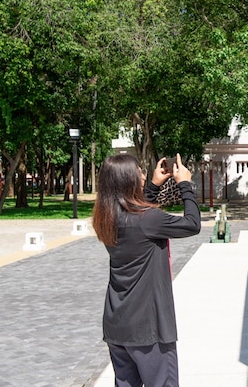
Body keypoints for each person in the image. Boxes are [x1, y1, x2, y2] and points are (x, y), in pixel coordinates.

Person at [92, 153, 201, 387]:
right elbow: (192, 224)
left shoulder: (106, 217)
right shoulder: (148, 220)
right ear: (129, 179)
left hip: (118, 325)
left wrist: (152, 186)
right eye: (139, 172)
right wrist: (185, 185)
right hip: (149, 328)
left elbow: (136, 211)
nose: (143, 174)